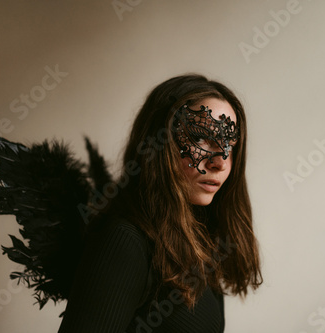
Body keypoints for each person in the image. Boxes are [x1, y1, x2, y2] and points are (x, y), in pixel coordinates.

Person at [57, 74, 263, 332]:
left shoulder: (198, 242)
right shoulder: (126, 242)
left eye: (230, 145)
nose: (220, 162)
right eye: (200, 138)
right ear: (159, 143)